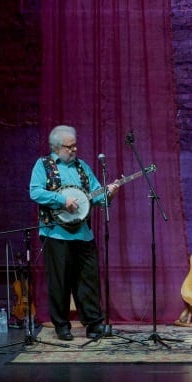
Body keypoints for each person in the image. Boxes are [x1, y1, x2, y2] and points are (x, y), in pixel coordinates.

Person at [29, 125, 119, 341]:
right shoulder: (43, 165)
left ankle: (94, 324)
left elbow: (96, 195)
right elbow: (35, 192)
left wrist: (109, 193)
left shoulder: (82, 167)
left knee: (88, 281)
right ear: (56, 147)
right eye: (69, 147)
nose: (74, 150)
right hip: (56, 234)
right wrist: (62, 200)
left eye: (75, 145)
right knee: (59, 282)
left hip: (83, 234)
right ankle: (61, 326)